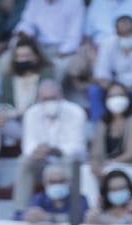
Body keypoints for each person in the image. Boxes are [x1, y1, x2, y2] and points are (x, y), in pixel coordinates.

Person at [13, 79, 87, 216]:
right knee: (24, 161)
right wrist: (37, 151)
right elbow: (28, 145)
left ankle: (73, 210)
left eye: (53, 98)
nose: (49, 102)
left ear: (61, 96)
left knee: (71, 160)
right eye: (45, 99)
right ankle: (20, 211)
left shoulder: (76, 112)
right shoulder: (32, 113)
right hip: (43, 161)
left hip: (66, 160)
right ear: (39, 99)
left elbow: (77, 146)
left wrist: (53, 150)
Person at [0, 35, 52, 166]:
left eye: (27, 56)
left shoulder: (47, 74)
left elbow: (45, 104)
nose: (23, 60)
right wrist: (3, 114)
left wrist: (13, 114)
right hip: (18, 126)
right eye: (19, 56)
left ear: (36, 56)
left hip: (41, 126)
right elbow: (4, 104)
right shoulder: (8, 78)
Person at [13, 0, 85, 80]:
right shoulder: (34, 1)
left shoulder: (75, 2)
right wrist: (23, 34)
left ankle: (49, 91)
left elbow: (74, 39)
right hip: (38, 46)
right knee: (14, 47)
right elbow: (27, 24)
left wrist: (56, 57)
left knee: (59, 67)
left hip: (62, 51)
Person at [20, 162, 89, 224]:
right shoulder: (39, 198)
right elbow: (18, 216)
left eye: (61, 181)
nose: (57, 185)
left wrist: (48, 217)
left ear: (68, 182)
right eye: (52, 182)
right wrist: (28, 216)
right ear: (44, 183)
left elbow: (81, 218)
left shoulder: (79, 199)